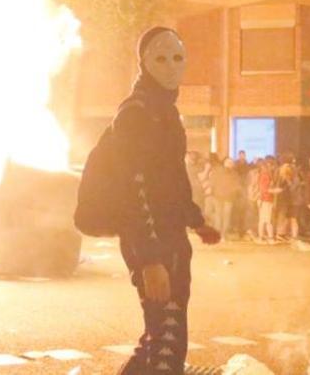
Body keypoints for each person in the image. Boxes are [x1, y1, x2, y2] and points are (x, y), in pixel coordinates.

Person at [113, 27, 220, 375]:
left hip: (170, 239)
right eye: (161, 57)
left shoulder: (165, 112)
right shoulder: (137, 112)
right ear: (143, 62)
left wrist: (195, 218)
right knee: (167, 349)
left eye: (178, 57)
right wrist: (150, 258)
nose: (172, 66)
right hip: (155, 243)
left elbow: (172, 178)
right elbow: (132, 187)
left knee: (156, 342)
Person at [210, 157, 240, 239]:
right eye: (228, 162)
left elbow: (237, 186)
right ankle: (221, 234)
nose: (230, 164)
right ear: (224, 163)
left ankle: (221, 234)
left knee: (224, 216)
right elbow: (212, 182)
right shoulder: (219, 172)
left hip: (227, 197)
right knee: (221, 216)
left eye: (231, 163)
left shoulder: (234, 174)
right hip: (219, 197)